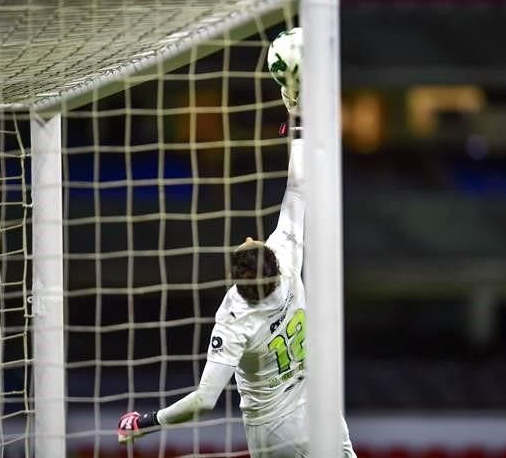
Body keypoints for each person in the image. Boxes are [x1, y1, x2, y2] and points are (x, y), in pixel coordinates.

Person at [117, 28, 356, 458]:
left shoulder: (235, 315)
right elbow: (299, 187)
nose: (249, 235)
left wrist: (147, 422)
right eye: (250, 241)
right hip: (318, 409)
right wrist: (298, 113)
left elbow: (205, 400)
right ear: (272, 263)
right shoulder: (285, 254)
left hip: (273, 431)